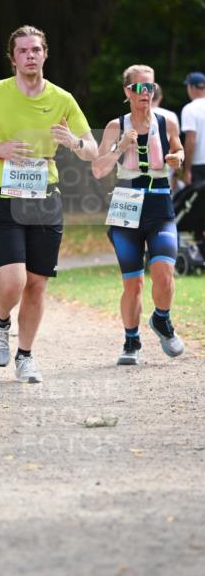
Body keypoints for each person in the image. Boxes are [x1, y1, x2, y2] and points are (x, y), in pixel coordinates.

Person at [0, 25, 97, 383]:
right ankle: (0, 321)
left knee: (36, 285)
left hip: (45, 199)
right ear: (13, 58)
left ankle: (26, 356)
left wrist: (73, 142)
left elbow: (92, 150)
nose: (30, 56)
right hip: (5, 199)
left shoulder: (62, 98)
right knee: (12, 282)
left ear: (45, 54)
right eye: (23, 51)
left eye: (36, 49)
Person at [92, 64, 185, 365]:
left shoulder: (167, 121)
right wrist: (121, 146)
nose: (147, 93)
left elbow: (179, 149)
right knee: (133, 283)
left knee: (163, 270)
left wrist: (176, 158)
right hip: (126, 205)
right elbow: (98, 169)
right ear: (127, 91)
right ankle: (131, 340)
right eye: (140, 88)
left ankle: (161, 318)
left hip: (160, 205)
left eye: (151, 87)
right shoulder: (114, 126)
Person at [181, 71, 205, 186]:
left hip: (199, 164)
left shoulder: (190, 109)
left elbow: (191, 140)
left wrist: (187, 170)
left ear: (191, 87)